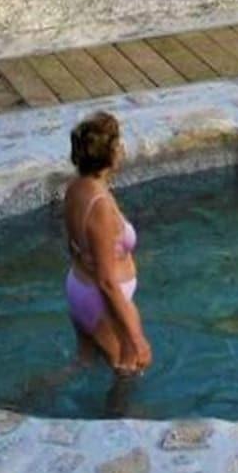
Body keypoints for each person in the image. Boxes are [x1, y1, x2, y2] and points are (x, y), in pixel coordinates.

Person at [62, 112, 151, 375]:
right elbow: (107, 282)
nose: (122, 149)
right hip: (101, 300)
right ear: (109, 153)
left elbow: (73, 245)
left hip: (80, 287)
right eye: (118, 144)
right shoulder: (100, 206)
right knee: (129, 372)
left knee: (81, 365)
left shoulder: (76, 188)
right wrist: (136, 338)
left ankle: (28, 394)